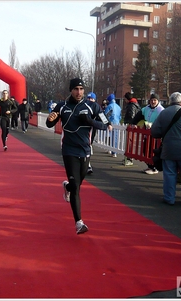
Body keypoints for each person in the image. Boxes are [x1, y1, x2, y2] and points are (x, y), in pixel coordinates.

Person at [46, 78, 112, 234]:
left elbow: (106, 125)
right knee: (76, 187)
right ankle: (79, 223)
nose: (79, 92)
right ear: (71, 90)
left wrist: (89, 120)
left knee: (76, 184)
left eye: (81, 89)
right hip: (69, 150)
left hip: (85, 150)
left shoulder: (93, 106)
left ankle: (67, 187)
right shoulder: (62, 106)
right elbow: (50, 123)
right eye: (76, 89)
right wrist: (50, 119)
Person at [151, 92, 181, 206]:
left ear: (170, 102)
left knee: (170, 175)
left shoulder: (163, 113)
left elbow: (155, 132)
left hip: (169, 149)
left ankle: (169, 198)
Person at [133, 93, 165, 174]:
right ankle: (150, 166)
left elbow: (164, 121)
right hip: (147, 133)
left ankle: (154, 168)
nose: (153, 102)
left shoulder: (161, 110)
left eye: (155, 100)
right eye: (151, 100)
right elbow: (138, 116)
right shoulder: (146, 108)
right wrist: (134, 123)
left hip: (156, 135)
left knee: (153, 151)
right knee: (145, 150)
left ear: (158, 101)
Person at [123, 92, 141, 166]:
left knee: (129, 142)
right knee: (130, 142)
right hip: (133, 125)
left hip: (131, 126)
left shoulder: (131, 105)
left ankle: (129, 158)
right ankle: (129, 157)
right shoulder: (135, 104)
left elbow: (132, 115)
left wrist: (130, 123)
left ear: (127, 99)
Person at [104, 93, 121, 158]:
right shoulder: (118, 107)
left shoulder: (109, 106)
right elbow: (120, 116)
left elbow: (106, 115)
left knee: (109, 137)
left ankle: (111, 150)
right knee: (115, 138)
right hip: (117, 123)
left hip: (110, 123)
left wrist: (107, 122)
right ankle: (114, 152)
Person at [85, 92, 98, 174]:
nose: (90, 100)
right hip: (83, 129)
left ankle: (87, 165)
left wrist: (107, 123)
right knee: (86, 146)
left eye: (92, 98)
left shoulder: (96, 107)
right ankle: (87, 165)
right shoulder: (83, 106)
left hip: (92, 129)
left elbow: (101, 116)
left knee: (89, 145)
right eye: (89, 98)